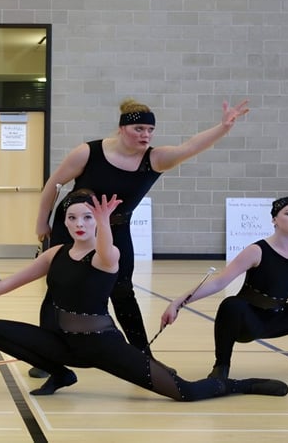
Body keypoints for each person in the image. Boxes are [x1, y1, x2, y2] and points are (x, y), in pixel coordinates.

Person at [0, 190, 288, 400]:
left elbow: (107, 251)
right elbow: (9, 283)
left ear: (96, 223)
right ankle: (60, 374)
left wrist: (105, 222)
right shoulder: (54, 254)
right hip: (62, 345)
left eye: (87, 218)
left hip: (103, 346)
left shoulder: (107, 256)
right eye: (73, 217)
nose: (79, 224)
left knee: (185, 393)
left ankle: (235, 384)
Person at [29, 98, 250, 382]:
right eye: (139, 129)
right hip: (75, 228)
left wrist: (223, 127)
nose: (145, 135)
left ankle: (143, 358)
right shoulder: (88, 152)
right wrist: (41, 221)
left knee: (122, 292)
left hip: (116, 230)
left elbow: (191, 146)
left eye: (150, 130)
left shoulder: (155, 159)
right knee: (59, 290)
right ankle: (46, 357)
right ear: (122, 129)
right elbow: (54, 184)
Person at [161, 196, 288, 379]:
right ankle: (221, 366)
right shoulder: (257, 251)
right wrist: (177, 303)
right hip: (249, 321)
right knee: (231, 304)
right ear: (274, 219)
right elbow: (218, 282)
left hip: (279, 317)